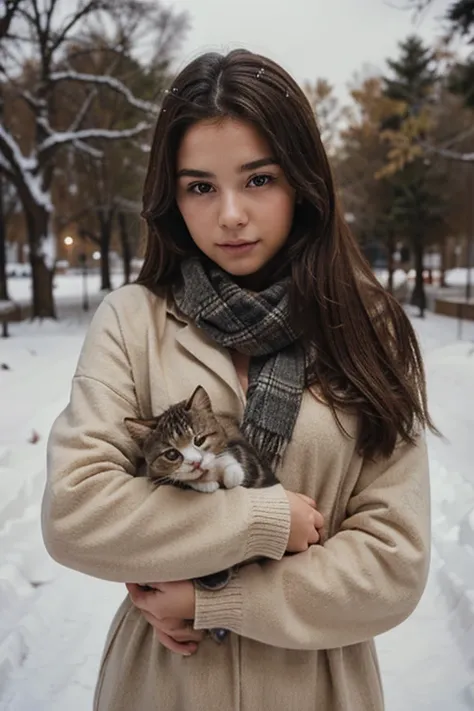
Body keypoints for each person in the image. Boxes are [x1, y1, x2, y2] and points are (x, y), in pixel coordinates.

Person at [42, 49, 434, 711]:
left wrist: (215, 598)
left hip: (317, 686)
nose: (230, 213)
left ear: (303, 182)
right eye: (200, 186)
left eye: (258, 179)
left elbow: (393, 562)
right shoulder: (133, 321)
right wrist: (259, 519)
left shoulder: (370, 330)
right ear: (173, 198)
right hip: (160, 686)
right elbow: (76, 512)